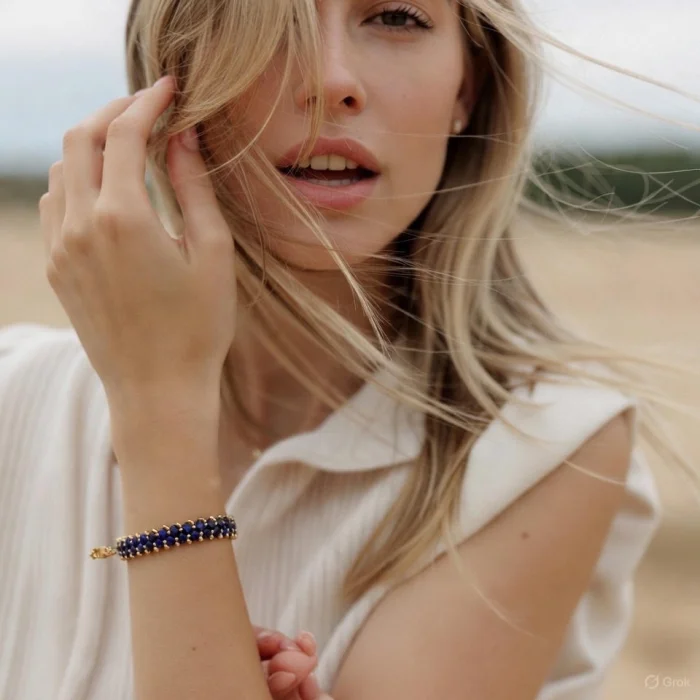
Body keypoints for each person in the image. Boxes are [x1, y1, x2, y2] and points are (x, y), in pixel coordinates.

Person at [0, 0, 696, 698]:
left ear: (468, 88)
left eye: (396, 17)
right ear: (169, 77)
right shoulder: (14, 397)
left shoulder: (545, 450)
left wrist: (160, 407)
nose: (331, 81)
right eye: (270, 20)